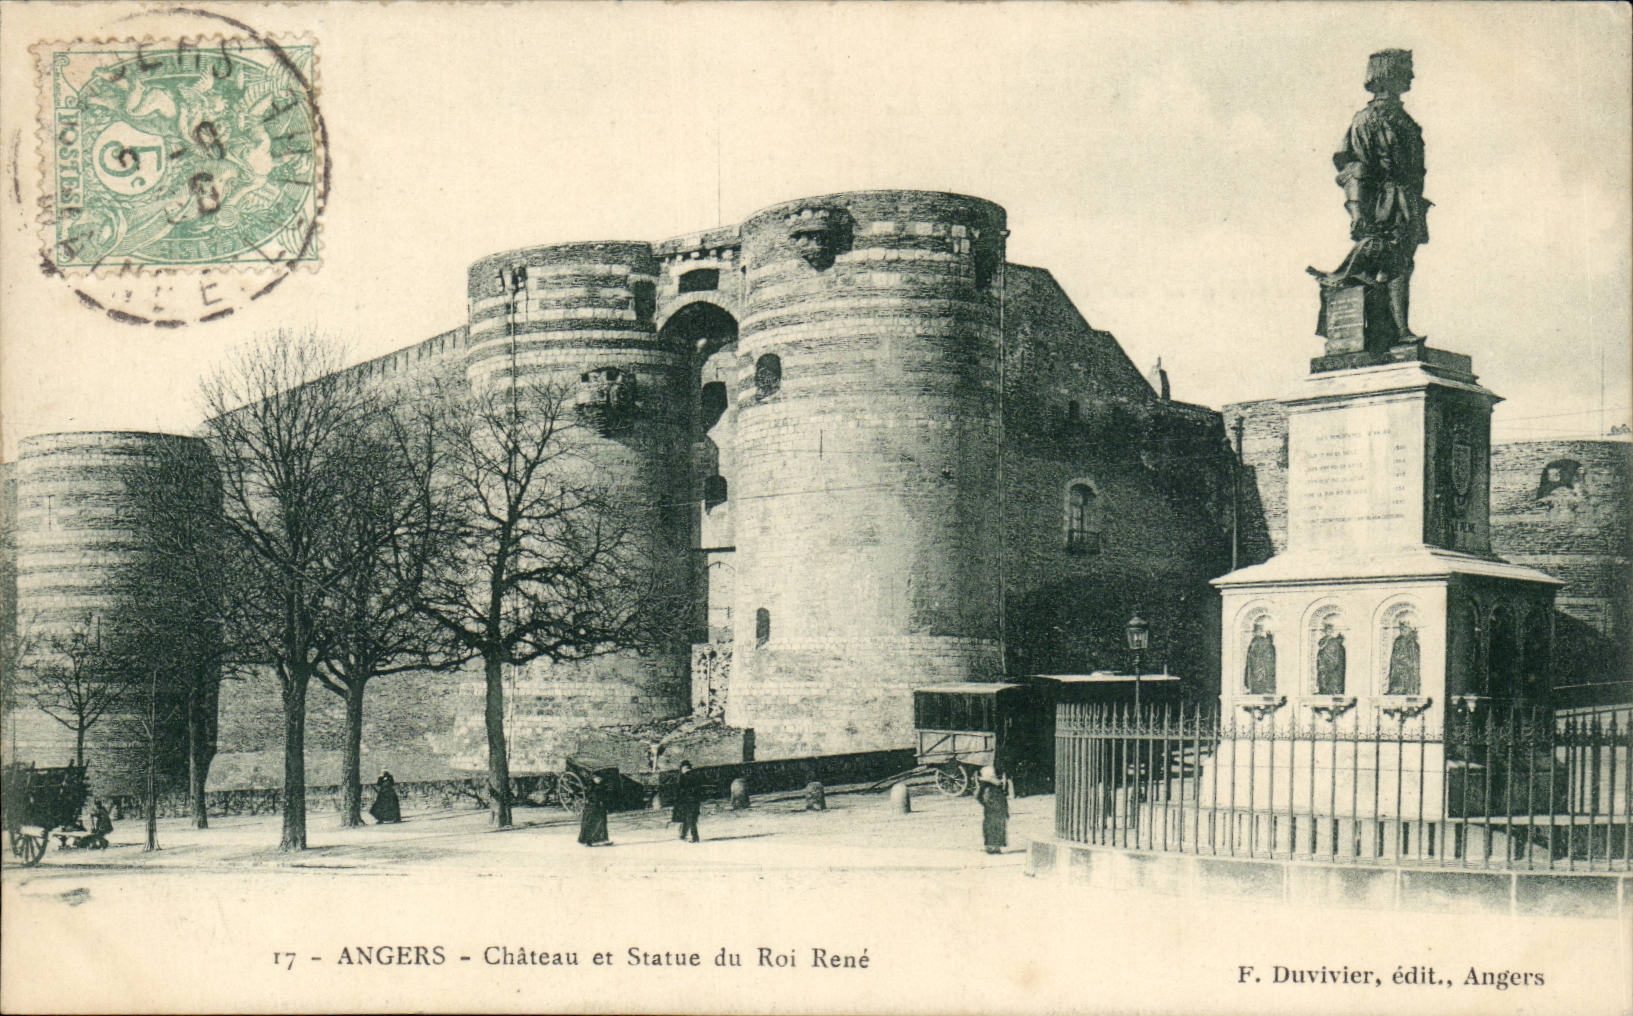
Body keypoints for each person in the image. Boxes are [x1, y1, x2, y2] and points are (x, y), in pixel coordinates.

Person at [1310, 48, 1431, 344]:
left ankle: (1391, 331)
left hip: (1407, 200)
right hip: (1386, 201)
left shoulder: (1402, 119)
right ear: (1388, 74)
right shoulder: (1368, 118)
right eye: (1406, 69)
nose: (1412, 75)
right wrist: (1358, 212)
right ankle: (1399, 332)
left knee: (1400, 265)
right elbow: (1356, 168)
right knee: (1395, 263)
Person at [975, 766, 1009, 855]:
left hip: (992, 809)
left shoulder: (986, 788)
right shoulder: (996, 788)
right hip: (995, 809)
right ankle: (994, 847)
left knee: (992, 827)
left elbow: (978, 797)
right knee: (996, 827)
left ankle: (992, 847)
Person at [671, 761, 703, 843]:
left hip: (689, 801)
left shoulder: (686, 777)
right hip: (687, 802)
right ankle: (683, 835)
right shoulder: (686, 776)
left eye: (686, 768)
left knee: (690, 819)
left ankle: (695, 837)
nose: (685, 770)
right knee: (687, 819)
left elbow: (693, 789)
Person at [577, 773, 611, 847]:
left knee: (602, 823)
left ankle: (603, 839)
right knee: (591, 823)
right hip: (592, 808)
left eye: (600, 778)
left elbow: (604, 797)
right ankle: (588, 840)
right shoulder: (591, 787)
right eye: (597, 778)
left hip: (600, 807)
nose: (599, 779)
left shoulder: (602, 787)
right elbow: (592, 797)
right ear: (593, 779)